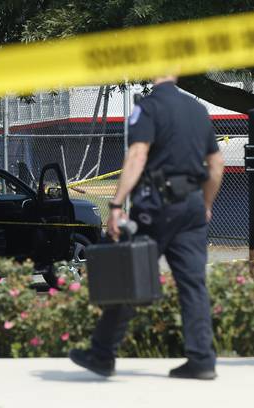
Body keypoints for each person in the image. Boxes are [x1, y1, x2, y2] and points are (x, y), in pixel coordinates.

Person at [69, 74, 224, 379]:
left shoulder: (149, 108)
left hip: (157, 205)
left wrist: (116, 205)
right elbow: (216, 164)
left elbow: (138, 154)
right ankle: (202, 359)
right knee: (193, 283)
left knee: (130, 271)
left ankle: (102, 353)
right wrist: (205, 204)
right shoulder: (197, 110)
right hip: (192, 204)